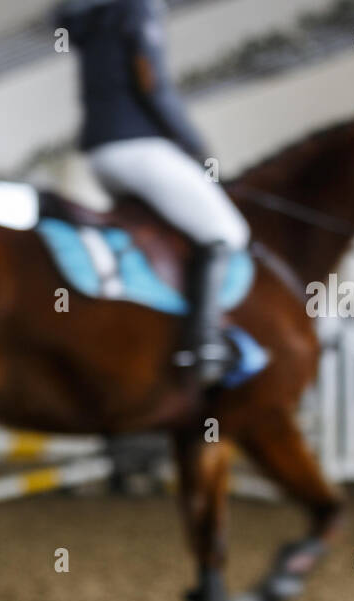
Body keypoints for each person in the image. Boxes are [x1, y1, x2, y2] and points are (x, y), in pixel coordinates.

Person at [58, 0, 251, 386]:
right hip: (137, 145)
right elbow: (152, 83)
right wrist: (194, 144)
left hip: (99, 152)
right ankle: (203, 344)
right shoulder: (138, 9)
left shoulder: (89, 16)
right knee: (227, 233)